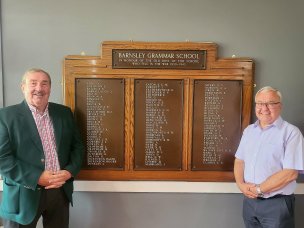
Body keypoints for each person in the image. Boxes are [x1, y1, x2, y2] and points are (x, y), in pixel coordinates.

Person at [0, 68, 84, 228]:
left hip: (59, 192)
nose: (39, 88)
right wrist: (37, 177)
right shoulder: (5, 116)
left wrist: (69, 172)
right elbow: (2, 159)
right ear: (23, 87)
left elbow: (77, 147)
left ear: (50, 88)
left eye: (44, 84)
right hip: (22, 195)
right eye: (33, 83)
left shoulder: (64, 113)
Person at [234, 86, 304, 228]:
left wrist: (259, 189)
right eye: (260, 103)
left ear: (280, 106)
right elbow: (239, 161)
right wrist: (241, 185)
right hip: (249, 202)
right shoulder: (249, 131)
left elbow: (290, 173)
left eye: (270, 103)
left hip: (277, 204)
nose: (264, 108)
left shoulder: (291, 133)